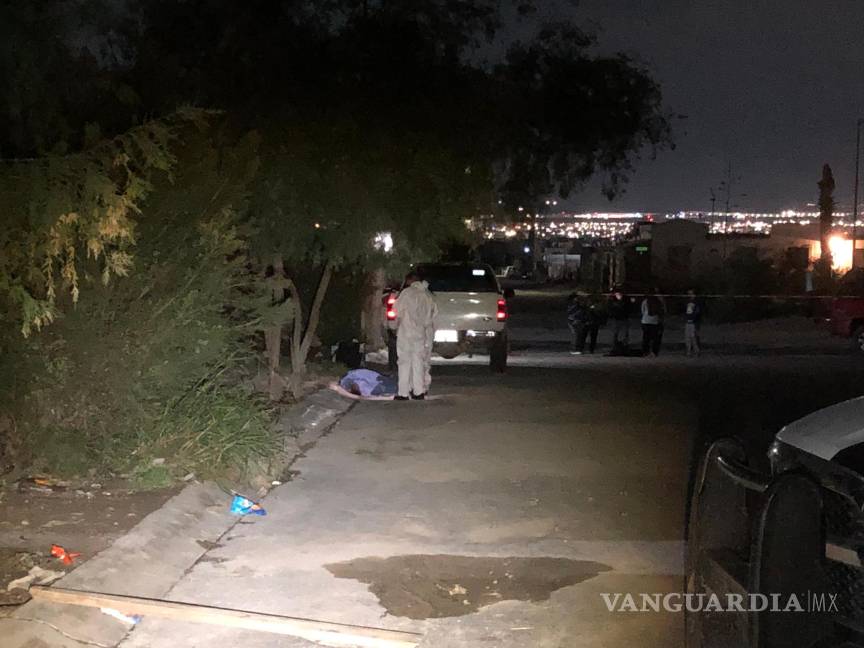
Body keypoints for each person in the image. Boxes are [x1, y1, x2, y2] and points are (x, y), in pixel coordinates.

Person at [393, 270, 437, 400]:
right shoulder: (427, 295)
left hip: (406, 332)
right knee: (419, 361)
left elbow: (397, 310)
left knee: (404, 362)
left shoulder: (406, 293)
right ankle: (418, 391)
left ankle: (403, 392)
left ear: (410, 280)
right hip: (421, 333)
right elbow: (433, 315)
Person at [641, 289, 665, 357]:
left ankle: (645, 352)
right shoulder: (658, 301)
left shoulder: (645, 301)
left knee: (646, 338)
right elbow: (662, 311)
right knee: (655, 338)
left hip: (645, 321)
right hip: (655, 321)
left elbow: (642, 311)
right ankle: (654, 352)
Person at [608, 288, 630, 353]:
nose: (618, 295)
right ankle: (615, 346)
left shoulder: (626, 299)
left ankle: (625, 345)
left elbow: (629, 308)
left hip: (624, 318)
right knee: (615, 333)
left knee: (625, 333)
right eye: (617, 294)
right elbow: (610, 309)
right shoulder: (612, 300)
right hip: (616, 319)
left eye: (620, 294)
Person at [684, 289, 702, 357]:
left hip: (694, 322)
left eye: (691, 293)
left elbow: (698, 312)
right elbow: (686, 311)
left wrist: (694, 320)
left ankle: (696, 351)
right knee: (687, 337)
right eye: (688, 293)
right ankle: (688, 352)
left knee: (693, 337)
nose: (689, 295)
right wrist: (686, 318)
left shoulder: (697, 302)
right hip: (687, 322)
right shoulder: (687, 301)